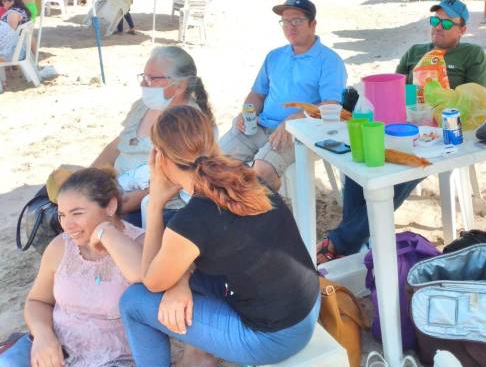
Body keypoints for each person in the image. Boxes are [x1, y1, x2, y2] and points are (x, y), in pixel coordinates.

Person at [119, 106, 320, 367]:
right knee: (175, 260)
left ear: (161, 159)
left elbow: (151, 281)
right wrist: (179, 283)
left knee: (133, 303)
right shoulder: (247, 179)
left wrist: (155, 201)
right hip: (306, 307)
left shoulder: (192, 221)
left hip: (272, 338)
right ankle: (201, 354)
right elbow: (219, 242)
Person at [317, 0, 486, 263]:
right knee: (359, 157)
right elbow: (393, 90)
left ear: (462, 29)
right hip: (401, 127)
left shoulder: (471, 54)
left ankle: (342, 242)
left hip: (442, 136)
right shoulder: (414, 52)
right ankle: (354, 238)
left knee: (402, 172)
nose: (438, 27)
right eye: (434, 21)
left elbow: (476, 100)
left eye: (446, 23)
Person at [0, 168, 144, 367]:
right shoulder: (61, 245)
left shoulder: (140, 243)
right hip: (57, 349)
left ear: (110, 206)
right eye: (62, 215)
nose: (67, 225)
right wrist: (43, 336)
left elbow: (141, 275)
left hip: (115, 359)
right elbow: (37, 300)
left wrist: (105, 233)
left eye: (77, 213)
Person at [219, 0, 347, 191]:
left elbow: (332, 105)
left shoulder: (329, 61)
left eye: (297, 20)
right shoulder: (275, 56)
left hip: (299, 132)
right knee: (214, 163)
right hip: (260, 125)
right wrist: (247, 112)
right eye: (285, 21)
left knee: (261, 172)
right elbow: (257, 94)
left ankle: (268, 218)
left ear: (313, 24)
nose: (290, 26)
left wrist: (296, 119)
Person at [91, 46, 213, 226]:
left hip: (153, 206)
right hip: (116, 189)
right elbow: (117, 145)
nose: (143, 84)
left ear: (179, 86)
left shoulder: (188, 123)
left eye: (151, 79)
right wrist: (89, 176)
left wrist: (113, 204)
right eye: (143, 76)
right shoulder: (142, 106)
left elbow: (172, 184)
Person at [0, 0, 32, 65]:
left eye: (4, 1)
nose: (2, 3)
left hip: (11, 53)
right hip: (18, 50)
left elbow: (10, 36)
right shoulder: (21, 11)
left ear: (11, 2)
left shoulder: (13, 13)